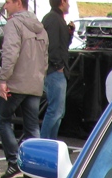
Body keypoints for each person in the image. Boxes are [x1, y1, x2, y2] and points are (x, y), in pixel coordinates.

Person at [0, 0, 48, 178]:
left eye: (8, 2)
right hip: (35, 82)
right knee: (32, 125)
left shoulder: (14, 24)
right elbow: (45, 57)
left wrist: (3, 78)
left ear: (18, 3)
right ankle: (33, 167)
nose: (5, 6)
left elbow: (10, 53)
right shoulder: (39, 27)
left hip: (16, 82)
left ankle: (14, 161)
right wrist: (40, 76)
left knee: (1, 118)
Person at [40, 0, 74, 140]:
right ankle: (44, 142)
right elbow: (52, 46)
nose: (69, 5)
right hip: (55, 71)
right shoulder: (53, 19)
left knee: (58, 112)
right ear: (62, 2)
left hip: (55, 70)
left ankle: (50, 142)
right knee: (55, 111)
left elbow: (61, 44)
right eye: (67, 1)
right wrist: (58, 66)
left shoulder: (55, 19)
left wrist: (69, 33)